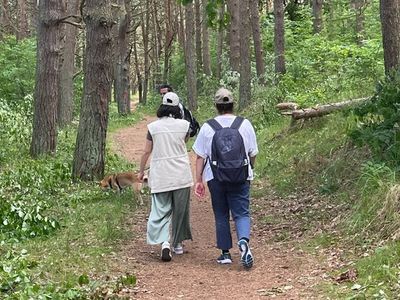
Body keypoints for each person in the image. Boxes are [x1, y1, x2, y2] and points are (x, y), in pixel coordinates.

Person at [192, 87, 258, 269]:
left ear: (216, 105)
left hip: (216, 177)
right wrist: (249, 169)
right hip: (241, 175)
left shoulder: (207, 127)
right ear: (233, 104)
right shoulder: (245, 124)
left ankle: (225, 253)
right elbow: (253, 153)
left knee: (221, 214)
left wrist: (198, 180)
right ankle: (243, 242)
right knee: (242, 212)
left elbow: (200, 157)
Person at [138, 92, 193, 262]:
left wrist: (141, 171)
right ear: (177, 108)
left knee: (161, 209)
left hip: (161, 174)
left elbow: (147, 151)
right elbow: (183, 141)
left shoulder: (153, 127)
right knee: (180, 210)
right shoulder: (185, 125)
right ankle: (177, 243)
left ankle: (164, 242)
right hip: (181, 174)